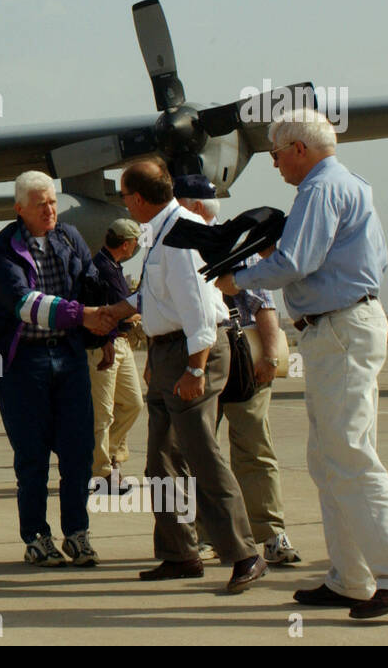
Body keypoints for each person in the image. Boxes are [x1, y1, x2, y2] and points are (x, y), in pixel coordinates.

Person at [218, 109, 388, 619]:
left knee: (348, 454)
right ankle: (350, 577)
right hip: (342, 324)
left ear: (299, 149)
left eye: (275, 154)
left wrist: (239, 280)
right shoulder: (350, 185)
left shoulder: (319, 190)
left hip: (338, 327)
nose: (274, 165)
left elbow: (295, 263)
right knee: (330, 455)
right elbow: (369, 260)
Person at [99, 160, 266, 593]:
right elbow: (160, 295)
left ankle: (245, 553)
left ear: (136, 198)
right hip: (168, 352)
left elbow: (196, 307)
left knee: (202, 457)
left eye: (124, 196)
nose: (125, 204)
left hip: (194, 354)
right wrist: (125, 310)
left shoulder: (181, 234)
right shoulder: (162, 231)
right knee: (162, 460)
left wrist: (195, 367)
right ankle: (180, 554)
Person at [0, 171, 114, 567]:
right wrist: (83, 315)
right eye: (41, 203)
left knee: (78, 451)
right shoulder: (2, 250)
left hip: (69, 358)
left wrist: (106, 331)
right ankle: (37, 537)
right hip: (24, 363)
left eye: (53, 201)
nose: (50, 209)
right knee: (32, 455)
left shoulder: (69, 238)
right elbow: (24, 304)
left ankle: (77, 533)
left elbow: (90, 284)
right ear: (20, 209)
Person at [176, 183, 300, 565]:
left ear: (196, 207)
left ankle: (271, 534)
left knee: (254, 449)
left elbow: (263, 304)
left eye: (178, 203)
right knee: (197, 453)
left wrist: (270, 354)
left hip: (242, 358)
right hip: (196, 359)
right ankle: (203, 535)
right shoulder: (176, 248)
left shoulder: (234, 245)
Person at [86, 218, 142, 496]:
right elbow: (108, 310)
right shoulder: (101, 269)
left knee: (133, 403)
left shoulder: (114, 267)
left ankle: (108, 455)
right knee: (103, 412)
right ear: (127, 244)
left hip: (122, 343)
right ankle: (103, 472)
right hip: (104, 344)